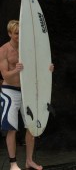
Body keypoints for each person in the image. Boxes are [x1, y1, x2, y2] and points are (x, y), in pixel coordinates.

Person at [0, 20, 54, 170]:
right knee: (11, 128)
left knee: (31, 127)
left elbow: (37, 68)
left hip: (27, 90)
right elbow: (5, 75)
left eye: (21, 33)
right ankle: (13, 164)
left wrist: (48, 69)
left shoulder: (28, 49)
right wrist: (16, 70)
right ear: (10, 33)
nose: (19, 36)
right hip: (10, 91)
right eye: (16, 33)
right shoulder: (3, 50)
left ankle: (29, 161)